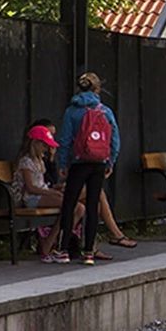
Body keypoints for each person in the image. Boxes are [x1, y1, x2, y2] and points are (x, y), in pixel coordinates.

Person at [33, 117, 136, 250]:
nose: (51, 140)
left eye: (52, 135)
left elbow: (52, 179)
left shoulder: (47, 156)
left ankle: (87, 245)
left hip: (52, 190)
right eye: (48, 135)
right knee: (95, 193)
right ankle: (113, 235)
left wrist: (52, 160)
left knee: (93, 203)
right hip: (44, 192)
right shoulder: (32, 158)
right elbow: (40, 182)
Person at [55, 72, 120, 266]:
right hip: (98, 162)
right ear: (97, 89)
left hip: (78, 162)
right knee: (93, 206)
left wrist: (63, 164)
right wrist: (110, 161)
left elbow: (65, 140)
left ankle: (63, 249)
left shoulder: (72, 111)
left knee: (70, 202)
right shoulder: (105, 111)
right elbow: (115, 139)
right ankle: (89, 252)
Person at [13, 124, 70, 262]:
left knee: (78, 208)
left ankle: (53, 242)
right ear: (36, 144)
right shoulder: (26, 162)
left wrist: (55, 189)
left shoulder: (40, 160)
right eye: (44, 145)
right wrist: (50, 193)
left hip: (41, 194)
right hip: (30, 198)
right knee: (68, 204)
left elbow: (41, 184)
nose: (47, 149)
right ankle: (48, 246)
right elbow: (31, 188)